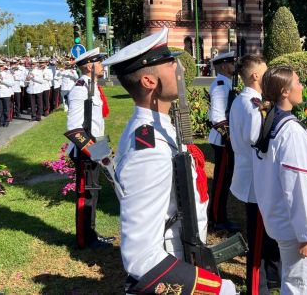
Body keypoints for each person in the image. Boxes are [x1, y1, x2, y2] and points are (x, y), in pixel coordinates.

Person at [102, 28, 236, 294]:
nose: (180, 68)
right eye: (170, 62)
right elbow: (141, 258)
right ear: (149, 82)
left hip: (184, 252)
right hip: (172, 262)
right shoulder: (149, 151)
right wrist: (219, 289)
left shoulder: (159, 128)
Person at [253, 66, 307, 295]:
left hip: (287, 224)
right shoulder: (290, 133)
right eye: (297, 82)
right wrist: (305, 236)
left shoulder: (271, 121)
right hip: (296, 230)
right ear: (284, 92)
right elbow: (297, 188)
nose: (302, 86)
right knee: (301, 287)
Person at [228, 54, 280, 294]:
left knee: (264, 234)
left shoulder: (243, 99)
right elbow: (254, 139)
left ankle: (270, 278)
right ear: (256, 75)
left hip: (247, 173)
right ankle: (256, 287)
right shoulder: (254, 104)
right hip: (255, 179)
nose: (268, 74)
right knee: (258, 238)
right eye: (265, 70)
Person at [65, 48, 113, 249]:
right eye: (100, 62)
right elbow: (74, 128)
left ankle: (91, 233)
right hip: (85, 150)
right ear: (89, 66)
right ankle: (85, 239)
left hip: (95, 145)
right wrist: (95, 152)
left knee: (93, 193)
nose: (103, 65)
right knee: (86, 194)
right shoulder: (80, 89)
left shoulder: (91, 86)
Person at [208, 51, 240, 232]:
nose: (233, 66)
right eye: (230, 63)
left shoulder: (227, 83)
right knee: (221, 181)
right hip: (223, 141)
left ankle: (217, 215)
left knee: (224, 180)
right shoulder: (221, 85)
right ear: (222, 66)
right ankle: (218, 219)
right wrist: (229, 138)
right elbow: (217, 118)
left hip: (225, 140)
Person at [0, 61, 14, 128]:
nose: (0, 68)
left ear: (4, 67)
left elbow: (11, 84)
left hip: (5, 93)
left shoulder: (8, 74)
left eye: (1, 66)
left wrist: (2, 81)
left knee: (6, 108)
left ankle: (6, 120)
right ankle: (1, 121)